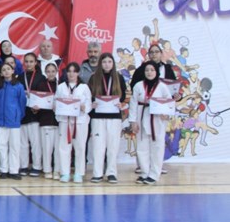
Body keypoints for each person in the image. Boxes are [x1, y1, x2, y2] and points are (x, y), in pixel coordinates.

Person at [128, 61, 171, 185]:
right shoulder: (138, 86)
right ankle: (144, 173)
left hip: (157, 120)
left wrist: (166, 114)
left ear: (156, 72)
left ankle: (154, 174)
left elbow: (169, 103)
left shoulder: (162, 87)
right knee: (142, 147)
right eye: (147, 70)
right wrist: (133, 121)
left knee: (157, 147)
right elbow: (133, 104)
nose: (149, 72)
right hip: (141, 117)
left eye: (152, 70)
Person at [88, 53, 127, 184]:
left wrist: (121, 103)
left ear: (113, 63)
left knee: (113, 146)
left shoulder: (119, 77)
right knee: (98, 146)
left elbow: (123, 95)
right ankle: (97, 173)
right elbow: (89, 95)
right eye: (104, 62)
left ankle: (111, 173)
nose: (107, 64)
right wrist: (91, 103)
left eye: (109, 62)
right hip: (98, 117)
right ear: (100, 64)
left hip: (114, 116)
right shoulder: (94, 78)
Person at [55, 62, 92, 183]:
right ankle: (64, 173)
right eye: (69, 71)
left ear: (78, 73)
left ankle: (79, 173)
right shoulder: (61, 87)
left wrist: (84, 107)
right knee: (63, 147)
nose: (71, 74)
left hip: (80, 121)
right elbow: (56, 101)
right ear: (66, 73)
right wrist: (56, 107)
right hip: (65, 120)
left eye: (74, 71)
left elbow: (89, 103)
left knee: (80, 147)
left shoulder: (84, 87)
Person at [0, 62, 27, 179]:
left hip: (14, 121)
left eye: (8, 69)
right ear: (1, 73)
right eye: (4, 70)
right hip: (1, 121)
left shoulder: (18, 86)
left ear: (13, 71)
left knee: (14, 146)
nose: (6, 71)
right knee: (1, 146)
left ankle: (14, 170)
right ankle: (3, 169)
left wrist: (18, 116)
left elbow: (22, 102)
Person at [18, 53, 44, 177]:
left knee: (35, 143)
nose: (28, 64)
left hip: (35, 114)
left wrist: (39, 108)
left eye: (31, 61)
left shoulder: (41, 77)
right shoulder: (19, 77)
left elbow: (44, 96)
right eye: (26, 61)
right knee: (23, 143)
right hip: (23, 114)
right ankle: (23, 166)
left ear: (35, 63)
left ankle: (36, 166)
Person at [34, 62, 60, 180]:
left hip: (59, 121)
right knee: (46, 148)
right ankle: (47, 170)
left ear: (56, 72)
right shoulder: (41, 85)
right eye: (48, 71)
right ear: (45, 72)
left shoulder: (61, 86)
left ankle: (57, 170)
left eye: (53, 71)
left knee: (58, 149)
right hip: (45, 120)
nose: (51, 74)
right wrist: (35, 108)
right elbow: (36, 102)